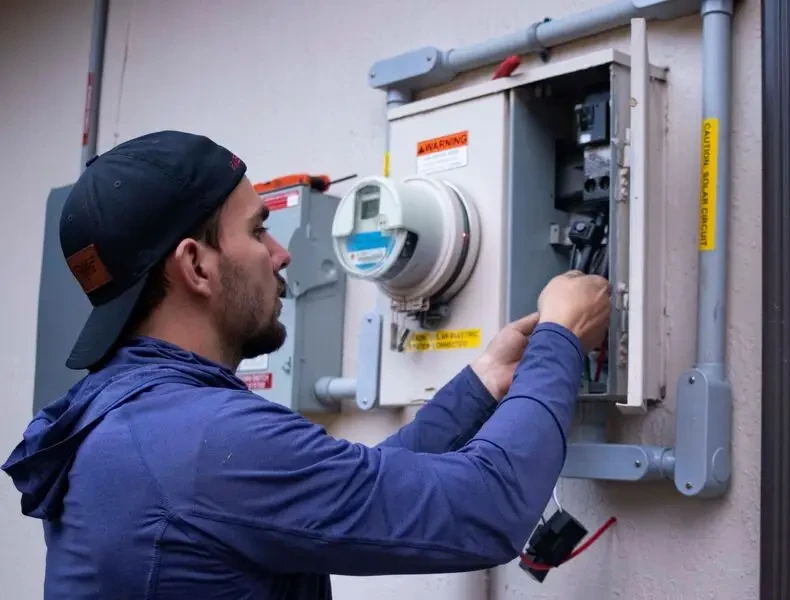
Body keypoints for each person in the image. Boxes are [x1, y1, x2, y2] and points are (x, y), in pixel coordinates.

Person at [2, 130, 611, 599]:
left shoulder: (135, 418)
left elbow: (354, 483)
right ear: (196, 266)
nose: (282, 252)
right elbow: (486, 510)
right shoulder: (202, 441)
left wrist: (483, 384)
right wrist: (561, 336)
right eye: (258, 230)